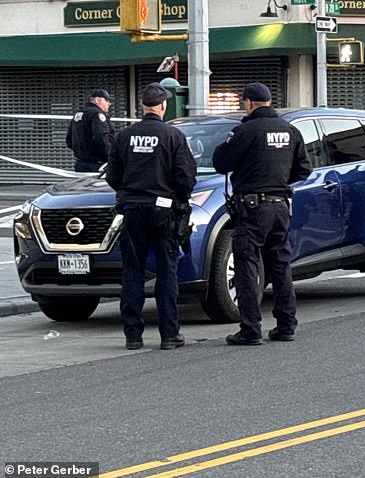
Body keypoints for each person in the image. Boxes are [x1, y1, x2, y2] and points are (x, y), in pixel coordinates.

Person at [213, 82, 312, 345]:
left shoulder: (245, 130)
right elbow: (304, 170)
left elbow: (221, 162)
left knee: (247, 265)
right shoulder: (290, 131)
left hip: (252, 207)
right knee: (280, 265)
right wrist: (278, 180)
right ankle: (286, 325)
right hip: (280, 205)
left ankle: (250, 328)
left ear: (249, 103)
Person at [106, 83, 196, 351]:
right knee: (167, 272)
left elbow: (113, 176)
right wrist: (177, 197)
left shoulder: (124, 136)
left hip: (132, 209)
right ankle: (170, 334)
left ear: (142, 106)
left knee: (132, 271)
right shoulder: (172, 136)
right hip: (164, 209)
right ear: (163, 106)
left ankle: (133, 335)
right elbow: (185, 176)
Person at [66, 89, 115, 172]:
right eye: (106, 100)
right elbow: (102, 138)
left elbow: (69, 140)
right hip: (97, 165)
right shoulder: (97, 115)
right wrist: (111, 157)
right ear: (97, 100)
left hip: (80, 164)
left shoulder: (78, 114)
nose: (109, 104)